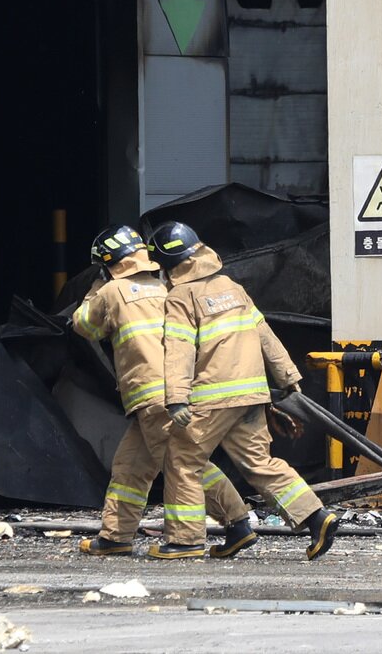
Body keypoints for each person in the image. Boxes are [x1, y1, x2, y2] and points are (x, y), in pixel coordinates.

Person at [147, 221, 338, 560]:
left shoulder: (181, 296)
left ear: (168, 265)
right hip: (251, 395)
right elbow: (263, 332)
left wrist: (176, 398)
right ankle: (315, 517)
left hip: (213, 396)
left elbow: (179, 348)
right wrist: (286, 374)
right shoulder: (231, 287)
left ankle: (185, 540)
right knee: (260, 463)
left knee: (182, 460)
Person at [71, 225, 257, 558]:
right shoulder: (165, 288)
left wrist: (97, 286)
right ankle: (116, 537)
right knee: (130, 466)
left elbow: (84, 325)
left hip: (151, 393)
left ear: (107, 264)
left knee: (184, 463)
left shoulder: (112, 293)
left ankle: (234, 522)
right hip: (171, 393)